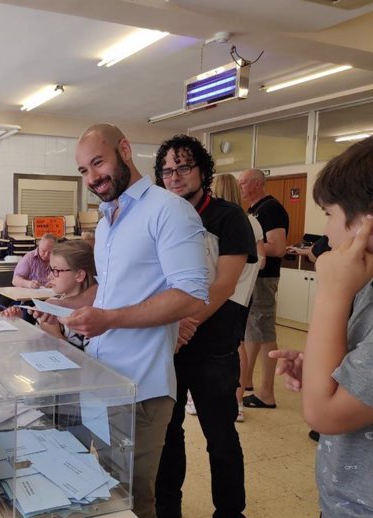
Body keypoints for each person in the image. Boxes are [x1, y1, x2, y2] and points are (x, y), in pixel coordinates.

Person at [61, 124, 209, 518]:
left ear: (125, 150)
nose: (92, 177)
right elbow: (115, 292)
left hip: (141, 389)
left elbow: (191, 293)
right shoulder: (109, 220)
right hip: (101, 376)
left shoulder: (169, 210)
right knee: (105, 487)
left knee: (131, 497)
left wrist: (108, 319)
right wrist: (72, 313)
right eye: (83, 171)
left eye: (98, 162)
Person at [270, 136, 373, 518]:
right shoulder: (367, 283)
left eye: (329, 214)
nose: (326, 233)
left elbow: (323, 414)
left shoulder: (347, 284)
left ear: (366, 221)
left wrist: (330, 292)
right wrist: (319, 366)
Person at [155, 135, 255, 518]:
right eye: (167, 170)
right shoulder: (162, 216)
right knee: (169, 432)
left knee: (221, 435)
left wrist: (188, 322)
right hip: (170, 345)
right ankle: (168, 508)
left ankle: (230, 511)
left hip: (213, 346)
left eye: (183, 167)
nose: (175, 176)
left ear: (202, 171)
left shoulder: (229, 218)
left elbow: (225, 283)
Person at [213, 173, 266, 422]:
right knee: (237, 345)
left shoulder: (225, 220)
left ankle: (233, 402)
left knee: (230, 347)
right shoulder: (252, 221)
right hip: (242, 294)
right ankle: (237, 400)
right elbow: (261, 258)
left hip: (228, 294)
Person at [237, 168, 289, 409]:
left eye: (243, 183)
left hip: (264, 279)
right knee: (252, 330)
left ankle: (266, 393)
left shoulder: (271, 208)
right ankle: (246, 381)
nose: (240, 188)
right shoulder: (253, 209)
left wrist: (247, 245)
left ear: (257, 184)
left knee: (264, 331)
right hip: (253, 278)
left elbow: (278, 247)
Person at [4, 239, 96, 350]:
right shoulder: (55, 302)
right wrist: (20, 323)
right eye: (51, 270)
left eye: (56, 271)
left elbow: (82, 360)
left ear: (79, 275)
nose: (49, 277)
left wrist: (54, 332)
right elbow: (34, 343)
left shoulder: (87, 318)